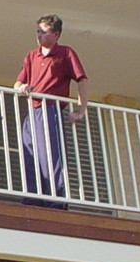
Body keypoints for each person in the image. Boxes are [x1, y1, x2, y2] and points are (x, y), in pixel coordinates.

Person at [14, 14, 88, 207]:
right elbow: (18, 82)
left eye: (43, 32)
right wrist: (21, 87)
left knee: (50, 156)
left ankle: (56, 202)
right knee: (30, 155)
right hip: (33, 111)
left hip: (50, 109)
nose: (39, 35)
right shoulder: (32, 55)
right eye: (37, 31)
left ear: (56, 34)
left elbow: (82, 80)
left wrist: (81, 109)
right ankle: (32, 200)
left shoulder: (65, 53)